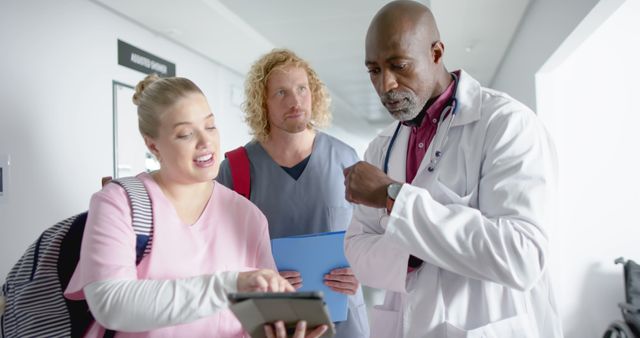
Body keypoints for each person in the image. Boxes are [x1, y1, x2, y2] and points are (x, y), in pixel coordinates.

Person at [343, 1, 563, 337]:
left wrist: (395, 199)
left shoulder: (506, 125)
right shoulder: (381, 147)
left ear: (436, 53)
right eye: (374, 70)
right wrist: (419, 249)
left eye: (398, 65)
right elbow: (357, 249)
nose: (386, 84)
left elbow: (522, 255)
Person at [64, 74, 327, 338]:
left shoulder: (248, 217)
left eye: (210, 126)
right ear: (152, 144)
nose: (205, 143)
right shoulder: (119, 203)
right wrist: (231, 285)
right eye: (186, 134)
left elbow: (258, 321)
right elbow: (112, 304)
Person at [217, 49, 370, 338]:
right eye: (281, 93)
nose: (295, 101)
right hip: (276, 322)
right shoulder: (235, 168)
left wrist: (361, 271)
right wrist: (256, 276)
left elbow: (371, 234)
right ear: (263, 102)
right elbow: (220, 250)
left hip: (345, 322)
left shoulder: (346, 159)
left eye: (302, 89)